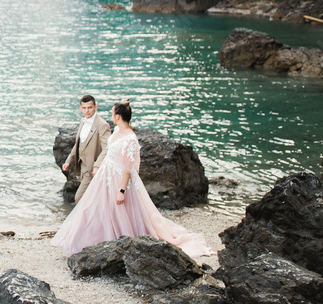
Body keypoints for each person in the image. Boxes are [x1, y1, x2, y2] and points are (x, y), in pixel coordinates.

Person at [51, 100, 213, 258]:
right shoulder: (117, 131)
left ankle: (117, 242)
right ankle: (91, 239)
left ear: (118, 117)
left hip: (118, 179)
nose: (112, 116)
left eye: (113, 113)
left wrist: (121, 190)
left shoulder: (130, 139)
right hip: (105, 176)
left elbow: (128, 168)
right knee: (96, 208)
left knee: (118, 211)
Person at [61, 95, 112, 204]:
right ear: (80, 108)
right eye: (84, 108)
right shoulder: (82, 121)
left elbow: (107, 148)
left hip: (93, 170)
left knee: (79, 198)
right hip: (82, 168)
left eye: (89, 107)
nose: (87, 111)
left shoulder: (102, 125)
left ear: (95, 107)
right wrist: (68, 161)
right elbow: (78, 145)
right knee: (92, 200)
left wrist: (97, 166)